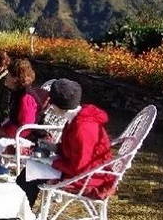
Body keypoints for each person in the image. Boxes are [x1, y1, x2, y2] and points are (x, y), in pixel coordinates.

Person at [16, 78, 114, 207]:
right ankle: (21, 210)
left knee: (29, 176)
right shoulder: (77, 119)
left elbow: (79, 168)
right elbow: (72, 150)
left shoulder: (82, 128)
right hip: (82, 169)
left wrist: (50, 161)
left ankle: (21, 211)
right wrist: (49, 147)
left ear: (57, 105)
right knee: (32, 167)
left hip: (90, 178)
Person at [0, 59, 46, 138]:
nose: (6, 76)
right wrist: (1, 129)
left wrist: (3, 132)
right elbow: (14, 120)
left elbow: (26, 129)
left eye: (9, 74)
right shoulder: (16, 93)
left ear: (16, 79)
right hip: (17, 133)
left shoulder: (26, 98)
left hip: (29, 138)